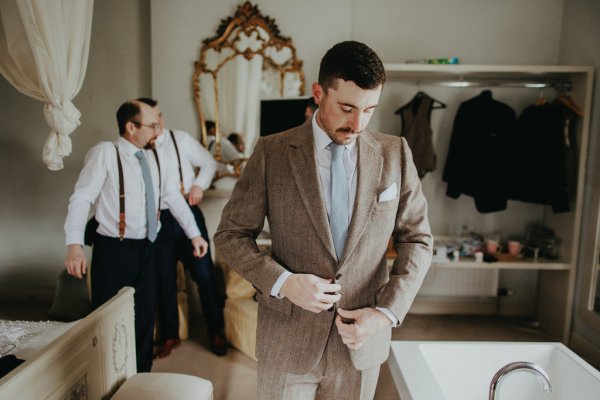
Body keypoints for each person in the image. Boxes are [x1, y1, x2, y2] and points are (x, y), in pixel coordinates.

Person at [214, 41, 433, 399]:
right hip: (287, 339)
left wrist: (384, 314)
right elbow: (231, 235)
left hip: (362, 342)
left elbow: (418, 240)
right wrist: (283, 282)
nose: (357, 123)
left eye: (369, 110)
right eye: (346, 108)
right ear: (319, 93)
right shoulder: (271, 153)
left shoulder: (396, 154)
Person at [64, 100, 208, 372]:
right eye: (152, 125)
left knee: (144, 316)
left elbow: (172, 198)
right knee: (105, 319)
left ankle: (141, 375)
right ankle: (104, 375)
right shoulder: (106, 153)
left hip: (149, 247)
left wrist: (194, 234)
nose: (158, 130)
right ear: (131, 127)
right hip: (114, 249)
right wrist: (74, 245)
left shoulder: (156, 155)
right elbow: (82, 198)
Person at [136, 98, 228, 357]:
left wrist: (199, 184)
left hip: (188, 210)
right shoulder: (141, 148)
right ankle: (169, 336)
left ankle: (216, 330)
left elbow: (209, 162)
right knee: (163, 277)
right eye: (153, 119)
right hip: (158, 219)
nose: (159, 123)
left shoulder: (181, 139)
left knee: (204, 274)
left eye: (160, 116)